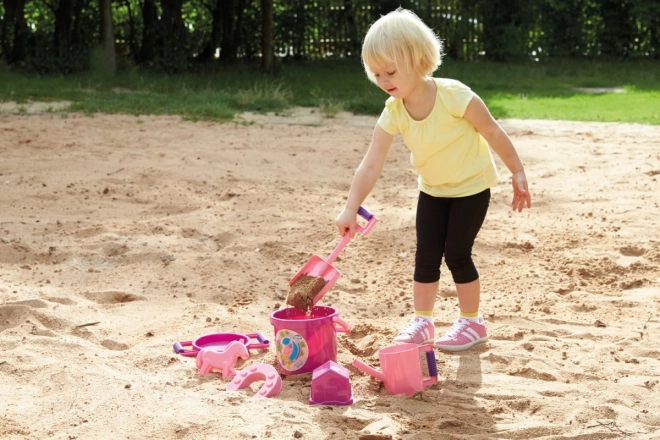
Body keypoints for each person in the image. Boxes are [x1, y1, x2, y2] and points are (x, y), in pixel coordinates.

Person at [336, 8, 532, 352]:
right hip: (433, 190)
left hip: (471, 188)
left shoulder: (454, 95)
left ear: (417, 60)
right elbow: (371, 164)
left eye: (391, 71)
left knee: (456, 252)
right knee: (426, 254)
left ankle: (472, 322)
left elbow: (492, 130)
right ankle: (423, 320)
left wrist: (517, 170)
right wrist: (351, 207)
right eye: (377, 72)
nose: (384, 80)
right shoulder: (394, 110)